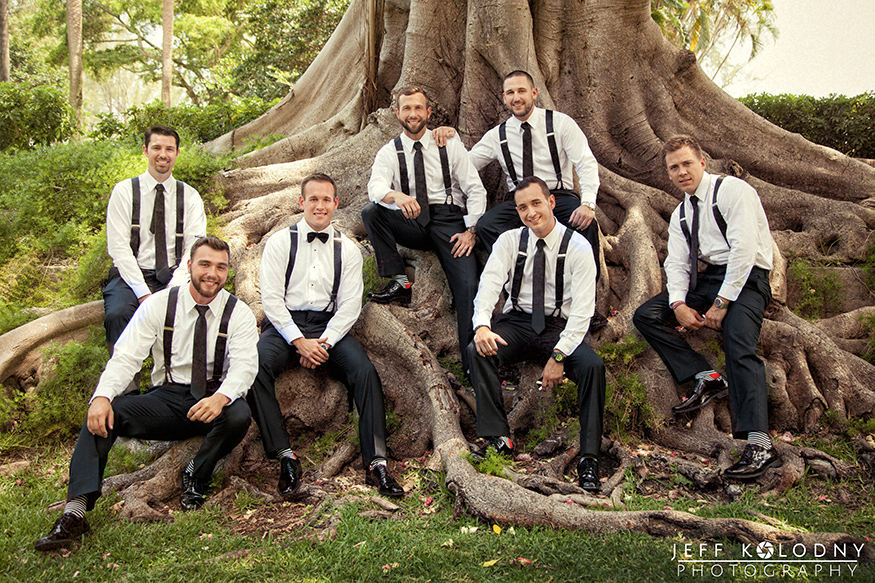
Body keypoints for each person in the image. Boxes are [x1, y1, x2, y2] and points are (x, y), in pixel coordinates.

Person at [35, 236, 259, 552]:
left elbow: (246, 366)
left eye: (221, 267)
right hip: (165, 400)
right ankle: (75, 513)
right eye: (205, 264)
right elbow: (127, 356)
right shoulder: (159, 305)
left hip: (212, 400)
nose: (212, 273)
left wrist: (221, 397)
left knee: (239, 414)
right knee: (104, 411)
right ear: (191, 266)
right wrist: (101, 396)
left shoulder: (239, 314)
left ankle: (197, 475)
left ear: (227, 272)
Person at [248, 173, 404, 499]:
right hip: (283, 325)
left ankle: (376, 462)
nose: (320, 206)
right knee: (255, 365)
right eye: (313, 199)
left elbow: (349, 306)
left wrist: (324, 343)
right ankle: (285, 456)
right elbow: (272, 301)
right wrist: (298, 341)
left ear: (335, 204)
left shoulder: (347, 250)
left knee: (364, 372)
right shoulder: (279, 242)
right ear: (302, 202)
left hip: (328, 327)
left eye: (326, 200)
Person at [632, 135, 779, 480]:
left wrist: (722, 303)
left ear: (701, 162)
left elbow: (744, 250)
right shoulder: (682, 213)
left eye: (686, 163)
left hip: (748, 279)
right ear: (668, 174)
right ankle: (706, 377)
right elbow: (677, 264)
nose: (681, 172)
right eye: (674, 168)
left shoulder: (732, 191)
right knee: (647, 316)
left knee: (739, 343)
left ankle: (761, 445)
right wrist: (679, 304)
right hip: (711, 279)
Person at [436, 70, 606, 330]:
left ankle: (586, 307)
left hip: (557, 196)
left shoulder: (559, 123)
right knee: (487, 226)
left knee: (585, 225)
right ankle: (522, 277)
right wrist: (452, 140)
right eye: (511, 93)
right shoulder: (498, 135)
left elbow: (585, 162)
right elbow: (466, 165)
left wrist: (589, 203)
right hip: (520, 202)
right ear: (504, 98)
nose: (517, 97)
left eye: (522, 91)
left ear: (534, 93)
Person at [466, 176, 605, 492]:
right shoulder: (509, 241)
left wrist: (559, 356)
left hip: (558, 327)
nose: (530, 213)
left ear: (551, 202)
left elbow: (583, 311)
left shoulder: (578, 246)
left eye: (536, 203)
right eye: (522, 207)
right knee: (477, 351)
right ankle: (499, 437)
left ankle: (589, 458)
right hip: (516, 322)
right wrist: (482, 325)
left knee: (592, 367)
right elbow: (488, 287)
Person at [363, 86, 486, 375]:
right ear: (397, 113)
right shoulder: (389, 152)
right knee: (372, 212)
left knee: (467, 286)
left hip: (449, 221)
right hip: (412, 218)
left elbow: (475, 190)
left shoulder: (449, 144)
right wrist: (397, 197)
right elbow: (375, 188)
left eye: (418, 108)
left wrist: (471, 230)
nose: (413, 114)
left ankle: (473, 364)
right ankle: (399, 282)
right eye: (407, 108)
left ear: (428, 112)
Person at [103, 125, 207, 354]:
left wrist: (173, 289)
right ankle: (124, 387)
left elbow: (195, 249)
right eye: (156, 147)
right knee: (117, 314)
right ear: (145, 150)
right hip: (130, 276)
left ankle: (175, 382)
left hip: (175, 275)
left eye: (169, 149)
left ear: (177, 153)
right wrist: (143, 294)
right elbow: (119, 248)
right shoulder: (124, 191)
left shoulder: (190, 196)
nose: (163, 154)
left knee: (192, 316)